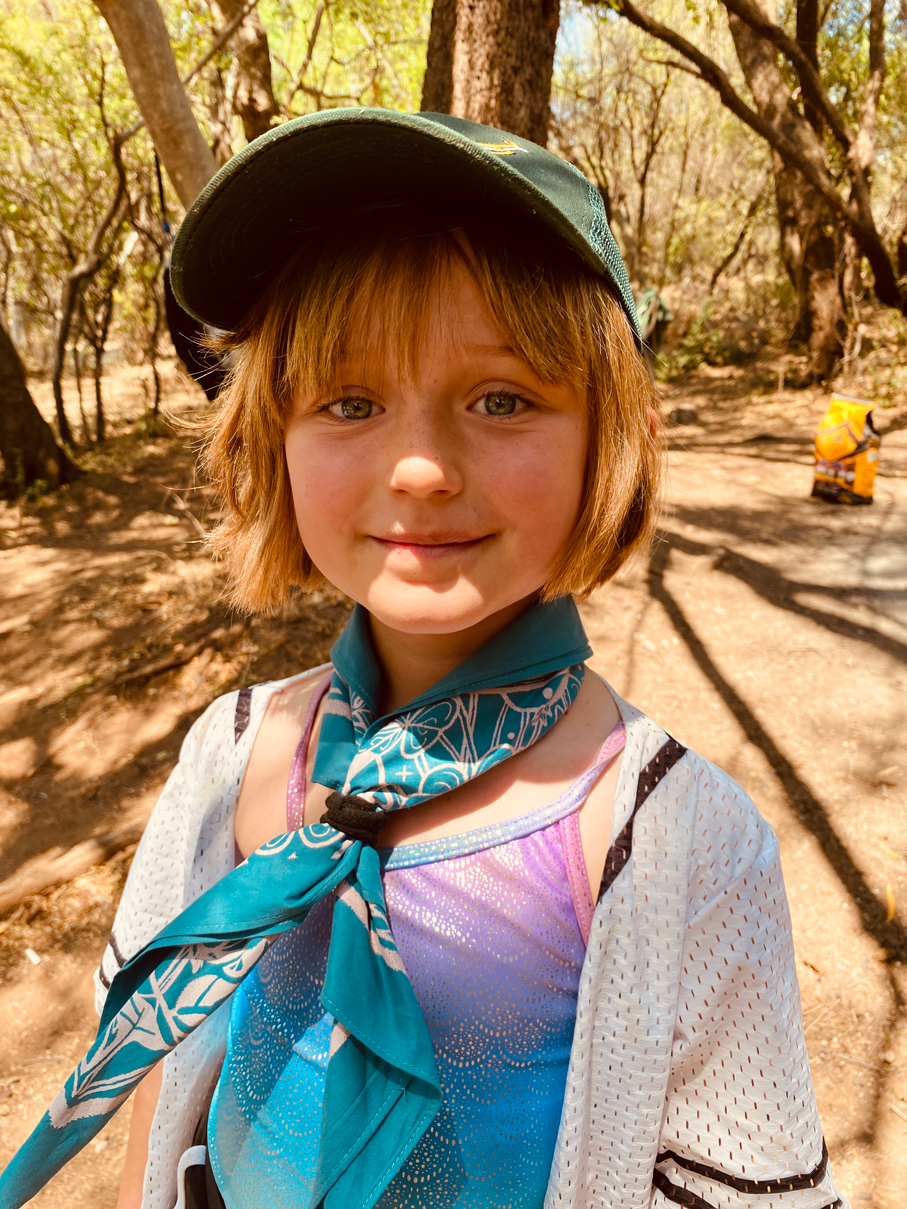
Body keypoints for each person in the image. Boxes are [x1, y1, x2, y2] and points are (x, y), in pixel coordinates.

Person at [0, 111, 846, 1209]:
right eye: (350, 402)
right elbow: (166, 1065)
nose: (420, 467)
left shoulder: (673, 840)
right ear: (271, 439)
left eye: (501, 400)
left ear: (608, 435)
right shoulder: (231, 755)